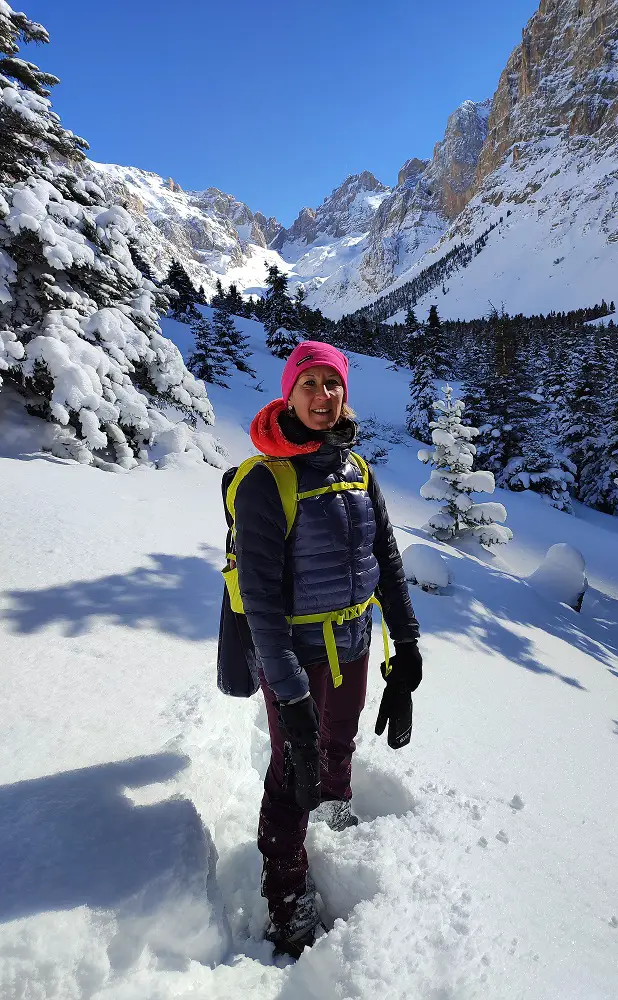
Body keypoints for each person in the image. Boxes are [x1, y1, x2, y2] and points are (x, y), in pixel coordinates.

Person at [234, 340, 422, 957]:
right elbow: (260, 598)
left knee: (339, 741)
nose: (323, 396)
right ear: (288, 392)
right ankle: (285, 895)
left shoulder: (358, 470)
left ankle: (336, 803)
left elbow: (386, 562)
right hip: (293, 654)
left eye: (333, 384)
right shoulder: (267, 481)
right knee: (292, 771)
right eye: (309, 384)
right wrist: (289, 698)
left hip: (356, 641)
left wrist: (409, 648)